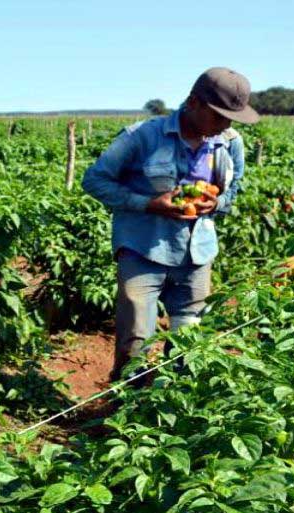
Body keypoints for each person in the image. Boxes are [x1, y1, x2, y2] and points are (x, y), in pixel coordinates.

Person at [82, 67, 258, 381]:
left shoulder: (229, 142)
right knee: (135, 340)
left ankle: (175, 410)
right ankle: (127, 407)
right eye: (219, 116)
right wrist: (148, 203)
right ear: (194, 102)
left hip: (197, 253)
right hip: (142, 249)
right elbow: (95, 180)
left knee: (188, 340)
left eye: (231, 118)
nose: (225, 125)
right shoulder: (141, 137)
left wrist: (216, 202)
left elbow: (236, 187)